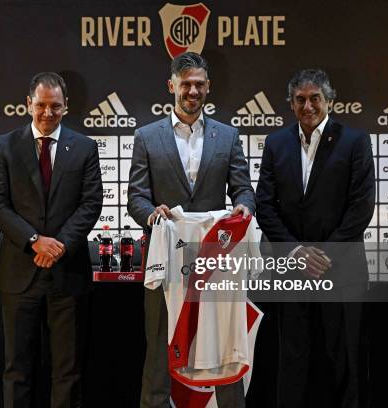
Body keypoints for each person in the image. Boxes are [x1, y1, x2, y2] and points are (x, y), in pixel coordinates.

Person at [128, 52, 255, 408]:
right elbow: (136, 197)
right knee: (158, 347)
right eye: (186, 84)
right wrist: (152, 213)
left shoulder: (227, 136)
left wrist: (245, 205)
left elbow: (243, 188)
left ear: (208, 87)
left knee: (225, 342)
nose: (193, 91)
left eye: (199, 84)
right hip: (166, 260)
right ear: (172, 86)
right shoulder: (147, 136)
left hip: (217, 261)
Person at [256, 68, 375, 408]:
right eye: (300, 99)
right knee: (291, 361)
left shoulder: (355, 141)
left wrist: (324, 255)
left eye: (315, 99)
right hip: (291, 271)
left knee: (345, 361)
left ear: (329, 101)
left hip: (342, 270)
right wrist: (295, 251)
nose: (307, 106)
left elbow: (361, 208)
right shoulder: (276, 143)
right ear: (291, 104)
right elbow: (265, 206)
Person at [0, 72, 103, 408]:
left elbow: (91, 202)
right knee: (17, 369)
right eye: (41, 105)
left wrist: (60, 244)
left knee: (68, 371)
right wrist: (35, 240)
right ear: (28, 104)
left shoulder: (84, 147)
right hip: (18, 273)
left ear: (66, 106)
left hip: (68, 274)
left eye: (55, 106)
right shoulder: (5, 145)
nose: (47, 113)